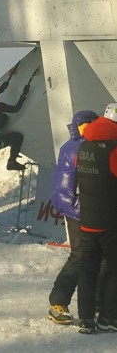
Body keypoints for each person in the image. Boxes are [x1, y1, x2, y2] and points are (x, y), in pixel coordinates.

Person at [48, 110, 99, 325]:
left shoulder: (97, 147)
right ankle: (57, 303)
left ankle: (96, 303)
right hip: (79, 213)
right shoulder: (72, 149)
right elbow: (62, 193)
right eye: (84, 125)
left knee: (102, 256)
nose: (88, 128)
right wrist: (83, 212)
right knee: (80, 256)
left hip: (95, 212)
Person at [76, 103, 117, 334]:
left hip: (88, 220)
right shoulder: (113, 149)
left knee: (88, 268)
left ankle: (86, 319)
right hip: (111, 220)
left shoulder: (84, 146)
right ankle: (108, 317)